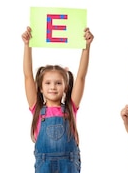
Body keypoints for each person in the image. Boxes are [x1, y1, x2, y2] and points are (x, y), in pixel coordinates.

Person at [22, 26, 94, 173]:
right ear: (40, 88)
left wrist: (86, 47)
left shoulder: (70, 107)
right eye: (48, 83)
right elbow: (28, 76)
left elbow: (81, 77)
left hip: (68, 164)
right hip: (44, 164)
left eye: (58, 83)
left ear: (66, 87)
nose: (53, 87)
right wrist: (27, 45)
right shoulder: (36, 108)